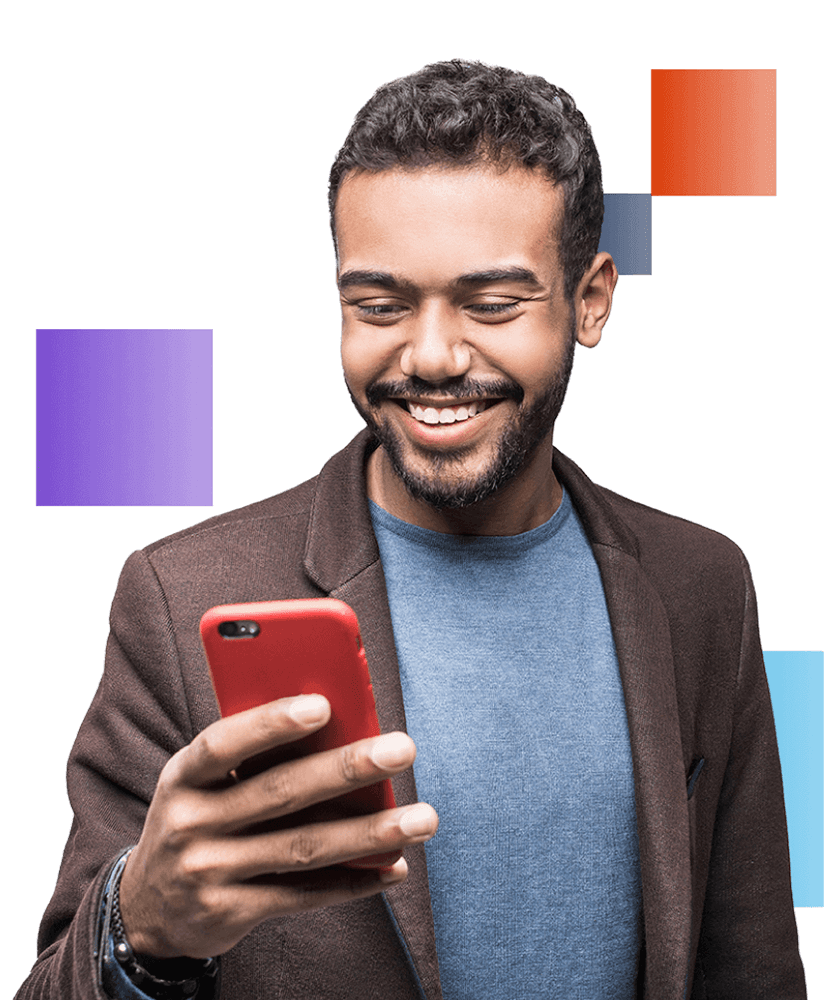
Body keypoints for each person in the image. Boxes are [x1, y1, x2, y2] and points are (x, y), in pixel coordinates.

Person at [17, 59, 806, 1000]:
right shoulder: (179, 594)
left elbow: (754, 966)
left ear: (590, 299)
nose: (430, 356)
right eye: (379, 306)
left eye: (491, 304)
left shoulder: (704, 584)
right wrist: (137, 929)